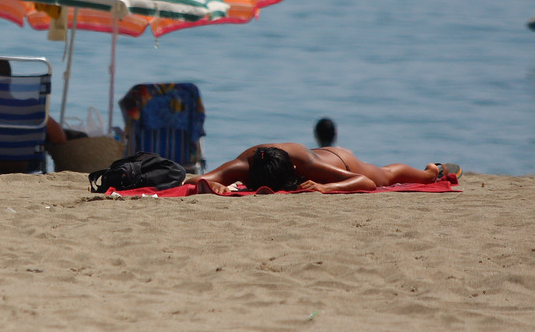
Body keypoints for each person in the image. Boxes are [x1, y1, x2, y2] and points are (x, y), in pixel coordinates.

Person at [186, 142, 459, 194]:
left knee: (385, 175)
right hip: (314, 156)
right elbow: (199, 178)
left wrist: (325, 187)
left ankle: (431, 171)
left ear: (294, 171)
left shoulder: (307, 166)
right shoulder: (247, 163)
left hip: (337, 159)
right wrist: (212, 185)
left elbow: (365, 183)